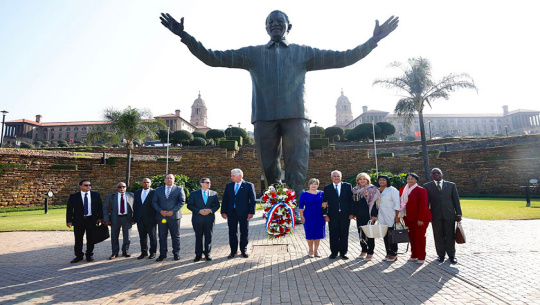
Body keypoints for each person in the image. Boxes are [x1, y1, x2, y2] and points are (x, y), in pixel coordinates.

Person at [159, 11, 399, 222]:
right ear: (266, 27)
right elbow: (212, 57)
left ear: (288, 26)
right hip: (264, 117)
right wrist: (185, 36)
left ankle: (295, 209)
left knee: (297, 166)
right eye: (270, 21)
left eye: (280, 21)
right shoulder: (252, 54)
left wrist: (373, 40)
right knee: (269, 166)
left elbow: (344, 57)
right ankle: (277, 208)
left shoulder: (303, 52)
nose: (275, 24)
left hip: (296, 116)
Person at [424, 168, 462, 264]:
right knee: (438, 236)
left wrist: (459, 213)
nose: (436, 174)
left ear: (442, 174)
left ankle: (452, 255)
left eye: (438, 173)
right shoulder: (427, 186)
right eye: (434, 173)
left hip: (449, 215)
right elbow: (426, 203)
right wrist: (427, 215)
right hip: (435, 216)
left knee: (450, 236)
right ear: (431, 176)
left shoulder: (451, 185)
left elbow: (456, 200)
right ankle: (440, 255)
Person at [221, 168, 256, 259]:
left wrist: (251, 212)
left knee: (244, 231)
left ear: (240, 176)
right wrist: (223, 211)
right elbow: (225, 199)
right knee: (232, 232)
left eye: (233, 176)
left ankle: (243, 250)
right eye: (231, 175)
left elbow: (252, 200)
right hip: (231, 213)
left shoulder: (248, 185)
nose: (231, 177)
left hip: (244, 213)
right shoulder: (229, 185)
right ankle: (233, 251)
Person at [66, 179, 103, 263]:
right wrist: (69, 221)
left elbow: (99, 207)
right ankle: (78, 256)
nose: (88, 187)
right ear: (80, 186)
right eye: (86, 185)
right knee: (78, 239)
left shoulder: (95, 195)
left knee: (91, 238)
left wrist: (100, 218)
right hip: (79, 220)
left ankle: (89, 255)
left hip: (91, 219)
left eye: (89, 185)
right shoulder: (74, 196)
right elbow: (69, 209)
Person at [399, 173, 432, 264]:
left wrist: (420, 218)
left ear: (416, 180)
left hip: (420, 217)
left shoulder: (421, 190)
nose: (410, 180)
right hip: (408, 217)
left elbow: (423, 206)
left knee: (420, 237)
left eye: (412, 178)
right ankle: (414, 255)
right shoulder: (403, 189)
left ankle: (421, 256)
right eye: (408, 178)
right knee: (412, 236)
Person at [152, 174, 186, 261]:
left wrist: (173, 211)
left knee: (175, 236)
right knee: (162, 236)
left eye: (171, 178)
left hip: (174, 217)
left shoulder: (179, 189)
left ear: (174, 180)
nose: (169, 180)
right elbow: (154, 202)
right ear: (164, 180)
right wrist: (160, 211)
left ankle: (176, 253)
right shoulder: (158, 190)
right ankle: (163, 254)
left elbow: (182, 201)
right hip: (162, 217)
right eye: (167, 178)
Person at [322, 170, 354, 259]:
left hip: (345, 214)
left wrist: (352, 213)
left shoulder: (347, 186)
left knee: (344, 233)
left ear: (341, 177)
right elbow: (324, 202)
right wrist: (325, 214)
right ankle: (334, 252)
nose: (336, 178)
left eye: (338, 176)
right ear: (331, 177)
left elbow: (351, 201)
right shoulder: (327, 188)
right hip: (332, 215)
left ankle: (343, 252)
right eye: (334, 176)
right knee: (333, 234)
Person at [187, 178, 220, 262]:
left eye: (210, 182)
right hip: (197, 219)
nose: (209, 184)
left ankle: (207, 254)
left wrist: (211, 210)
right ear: (201, 183)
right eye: (207, 182)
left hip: (209, 219)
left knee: (208, 237)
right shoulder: (194, 194)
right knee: (198, 237)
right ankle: (198, 255)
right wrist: (199, 211)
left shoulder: (214, 193)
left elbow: (217, 205)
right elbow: (189, 205)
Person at [103, 182, 135, 259]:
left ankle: (125, 251)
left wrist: (134, 218)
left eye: (123, 187)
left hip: (127, 218)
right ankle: (114, 252)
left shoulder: (131, 195)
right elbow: (105, 208)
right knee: (114, 236)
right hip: (115, 218)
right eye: (120, 187)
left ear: (126, 187)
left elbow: (135, 207)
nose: (121, 188)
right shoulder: (111, 196)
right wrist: (106, 219)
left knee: (127, 237)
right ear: (117, 188)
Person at [352, 173, 380, 261]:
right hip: (360, 215)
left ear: (367, 180)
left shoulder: (373, 189)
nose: (362, 180)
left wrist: (374, 215)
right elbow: (353, 203)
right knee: (361, 233)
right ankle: (363, 250)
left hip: (370, 215)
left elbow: (376, 203)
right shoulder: (354, 190)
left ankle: (370, 251)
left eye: (364, 179)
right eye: (360, 179)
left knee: (369, 233)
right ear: (358, 180)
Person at [299, 178, 325, 258]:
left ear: (318, 185)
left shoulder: (322, 193)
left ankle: (316, 251)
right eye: (312, 184)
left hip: (319, 217)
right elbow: (300, 207)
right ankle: (310, 250)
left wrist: (325, 204)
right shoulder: (304, 194)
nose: (313, 185)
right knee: (309, 233)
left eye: (315, 184)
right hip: (308, 217)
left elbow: (326, 203)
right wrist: (301, 216)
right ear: (309, 185)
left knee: (318, 234)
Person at [377, 175, 401, 262]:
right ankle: (388, 253)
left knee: (392, 235)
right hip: (381, 215)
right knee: (385, 235)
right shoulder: (378, 190)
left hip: (391, 215)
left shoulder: (392, 190)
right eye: (380, 180)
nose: (382, 181)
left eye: (384, 180)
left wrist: (397, 216)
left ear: (387, 181)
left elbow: (397, 203)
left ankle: (394, 254)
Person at [133, 178, 157, 260]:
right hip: (140, 219)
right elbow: (135, 206)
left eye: (148, 182)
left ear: (150, 183)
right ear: (141, 183)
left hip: (151, 219)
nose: (146, 184)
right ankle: (143, 252)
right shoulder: (137, 193)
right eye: (144, 182)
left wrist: (156, 218)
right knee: (142, 237)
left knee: (152, 237)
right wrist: (134, 218)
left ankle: (153, 252)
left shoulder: (154, 192)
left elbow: (157, 205)